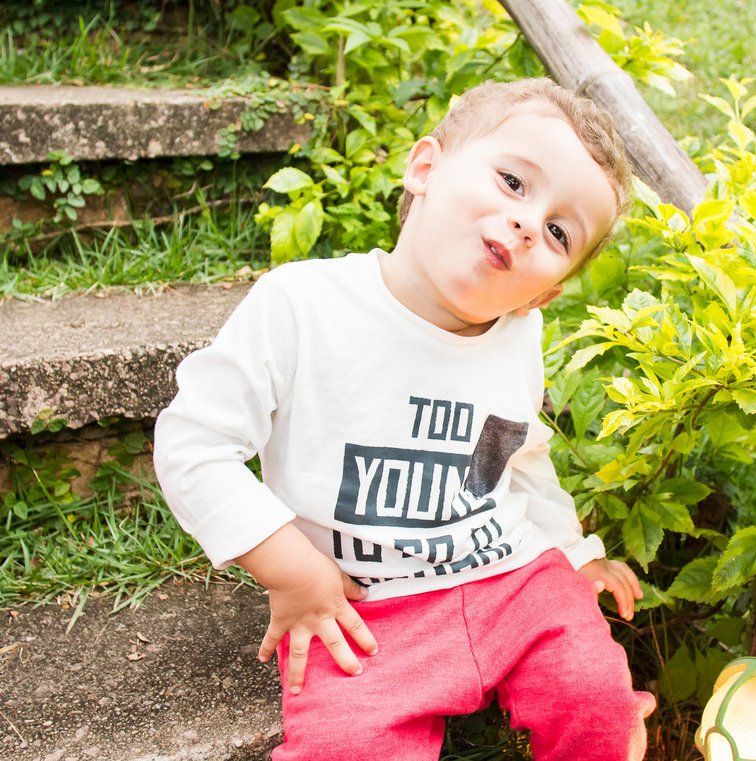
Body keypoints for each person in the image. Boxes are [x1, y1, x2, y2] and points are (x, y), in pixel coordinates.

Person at [153, 77, 656, 761]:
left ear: (546, 292)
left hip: (512, 583)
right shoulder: (303, 306)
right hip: (367, 607)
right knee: (344, 746)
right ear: (425, 168)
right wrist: (295, 573)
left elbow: (521, 462)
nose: (528, 222)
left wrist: (571, 557)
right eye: (513, 181)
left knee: (596, 696)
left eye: (559, 231)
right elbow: (194, 444)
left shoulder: (516, 339)